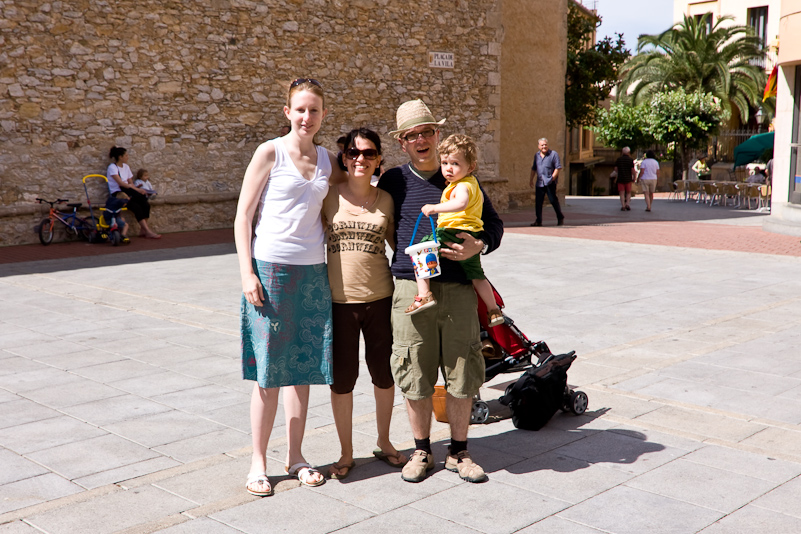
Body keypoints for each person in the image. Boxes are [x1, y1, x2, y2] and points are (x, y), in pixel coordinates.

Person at [378, 99, 503, 484]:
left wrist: (478, 245)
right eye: (412, 135)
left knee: (462, 369)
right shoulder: (393, 181)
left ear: (437, 135)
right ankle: (421, 449)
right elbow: (381, 225)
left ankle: (460, 452)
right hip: (411, 289)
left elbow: (494, 226)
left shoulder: (462, 180)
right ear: (402, 142)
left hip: (459, 289)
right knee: (413, 368)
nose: (421, 140)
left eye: (427, 132)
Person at [235, 78, 343, 497]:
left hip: (313, 272)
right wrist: (247, 272)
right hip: (272, 271)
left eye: (314, 110)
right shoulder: (270, 151)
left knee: (303, 369)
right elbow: (244, 216)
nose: (306, 117)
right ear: (287, 112)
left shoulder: (327, 160)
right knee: (269, 371)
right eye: (300, 109)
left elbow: (348, 191)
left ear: (323, 115)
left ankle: (295, 455)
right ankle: (258, 462)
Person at [322, 127, 407, 480]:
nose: (361, 159)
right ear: (344, 158)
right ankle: (345, 451)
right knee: (342, 380)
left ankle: (385, 441)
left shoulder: (386, 199)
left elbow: (399, 248)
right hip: (339, 303)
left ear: (379, 160)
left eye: (369, 153)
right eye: (354, 153)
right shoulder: (327, 196)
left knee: (383, 375)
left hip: (380, 300)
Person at [410, 134, 503, 328]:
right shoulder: (472, 183)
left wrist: (434, 208)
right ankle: (493, 310)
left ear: (471, 167)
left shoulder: (462, 185)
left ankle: (424, 294)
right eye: (444, 163)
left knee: (421, 250)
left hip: (453, 230)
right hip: (470, 235)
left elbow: (460, 203)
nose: (448, 168)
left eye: (455, 163)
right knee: (477, 274)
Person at [106, 147, 161, 238]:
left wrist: (137, 189)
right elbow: (121, 183)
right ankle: (147, 231)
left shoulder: (126, 167)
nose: (128, 157)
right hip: (119, 193)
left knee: (145, 203)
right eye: (126, 155)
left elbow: (130, 182)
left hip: (129, 190)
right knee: (136, 207)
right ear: (120, 157)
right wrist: (136, 189)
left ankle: (143, 230)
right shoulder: (112, 167)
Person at [529, 138, 564, 227]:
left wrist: (552, 178)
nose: (544, 146)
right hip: (540, 183)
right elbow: (533, 168)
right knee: (538, 202)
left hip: (550, 182)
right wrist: (531, 180)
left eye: (545, 144)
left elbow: (558, 168)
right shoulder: (536, 155)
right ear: (539, 146)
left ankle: (560, 217)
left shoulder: (553, 154)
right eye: (542, 145)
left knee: (553, 200)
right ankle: (538, 221)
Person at [614, 147, 635, 211]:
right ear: (629, 152)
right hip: (628, 179)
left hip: (620, 178)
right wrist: (634, 177)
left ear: (622, 152)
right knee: (628, 193)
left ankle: (623, 205)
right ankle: (627, 204)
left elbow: (615, 169)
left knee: (621, 193)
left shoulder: (619, 159)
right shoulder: (630, 160)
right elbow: (632, 170)